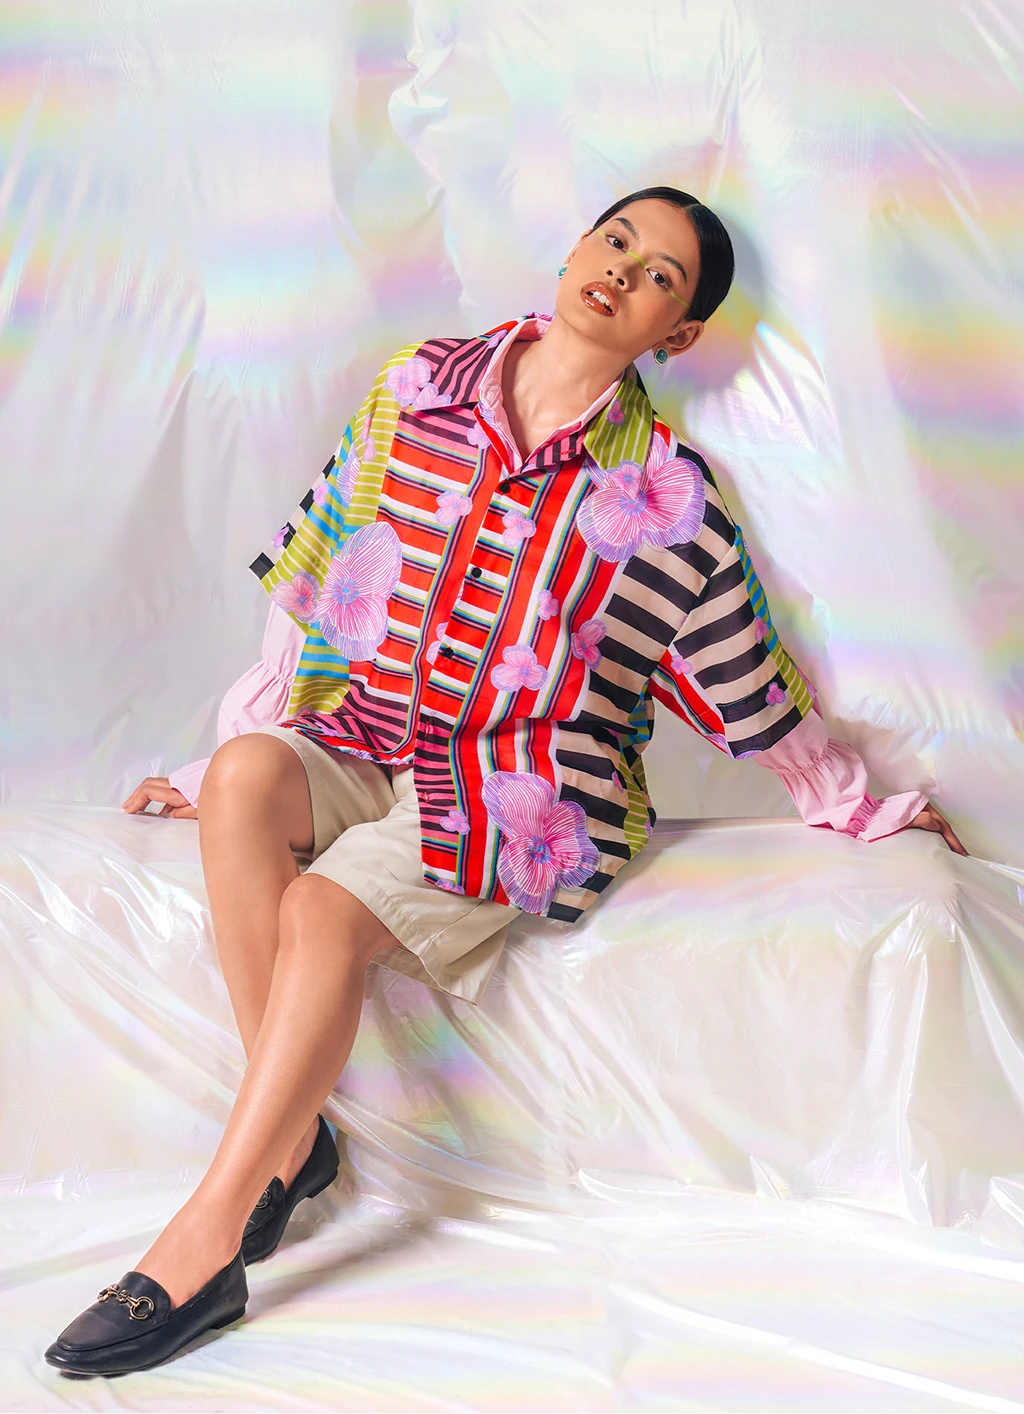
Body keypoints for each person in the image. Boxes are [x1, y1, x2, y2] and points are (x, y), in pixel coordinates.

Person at [45, 186, 966, 1377]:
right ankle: (296, 1145)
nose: (622, 272)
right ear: (578, 247)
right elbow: (322, 571)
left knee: (322, 910)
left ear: (679, 333)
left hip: (523, 784)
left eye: (661, 277)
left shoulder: (664, 490)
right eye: (616, 241)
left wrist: (851, 799)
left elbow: (741, 666)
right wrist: (241, 734)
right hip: (367, 729)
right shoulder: (416, 388)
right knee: (240, 780)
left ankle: (208, 1238)